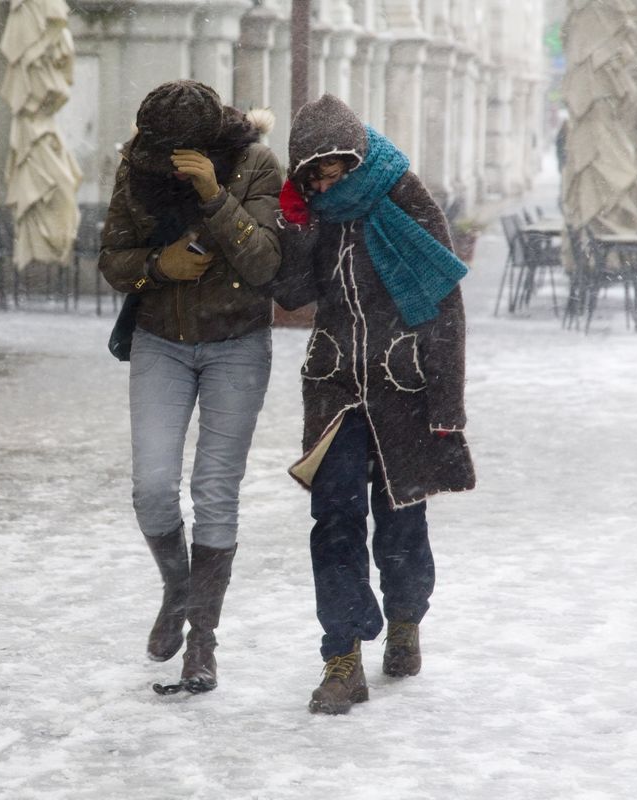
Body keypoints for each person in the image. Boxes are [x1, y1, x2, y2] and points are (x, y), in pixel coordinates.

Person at [272, 94, 476, 715]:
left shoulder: (404, 198)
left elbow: (443, 301)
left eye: (334, 168)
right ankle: (342, 659)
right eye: (314, 174)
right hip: (334, 386)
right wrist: (297, 229)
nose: (326, 182)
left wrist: (448, 401)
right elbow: (292, 294)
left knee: (401, 522)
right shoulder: (316, 216)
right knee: (333, 521)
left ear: (357, 159)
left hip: (403, 389)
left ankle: (406, 617)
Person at [98, 80, 283, 695]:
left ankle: (202, 641)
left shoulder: (255, 162)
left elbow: (265, 264)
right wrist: (156, 267)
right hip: (160, 341)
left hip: (237, 344)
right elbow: (112, 258)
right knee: (152, 485)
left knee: (214, 489)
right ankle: (179, 588)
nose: (168, 160)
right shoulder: (137, 165)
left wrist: (213, 193)